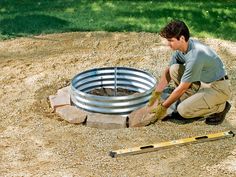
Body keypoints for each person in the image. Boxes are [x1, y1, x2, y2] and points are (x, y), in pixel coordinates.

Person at [148, 20, 231, 125]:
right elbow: (168, 72)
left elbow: (182, 88)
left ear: (182, 38)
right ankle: (193, 100)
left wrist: (163, 107)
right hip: (204, 83)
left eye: (171, 40)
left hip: (218, 88)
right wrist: (156, 93)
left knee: (183, 110)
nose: (168, 44)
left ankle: (221, 107)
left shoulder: (195, 56)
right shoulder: (181, 49)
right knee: (174, 69)